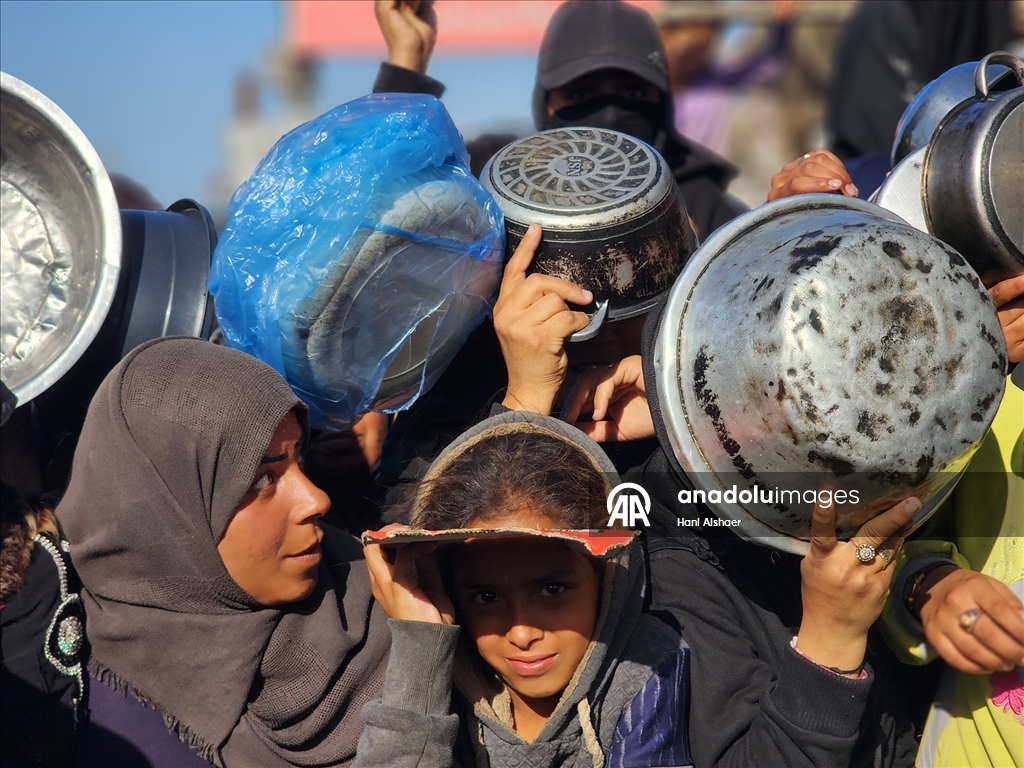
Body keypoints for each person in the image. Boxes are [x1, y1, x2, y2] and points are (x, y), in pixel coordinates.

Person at [58, 337, 390, 767]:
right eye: (262, 481)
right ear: (170, 513)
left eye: (299, 462)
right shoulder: (99, 718)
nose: (315, 500)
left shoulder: (387, 593)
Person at [359, 410, 692, 766]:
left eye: (552, 589)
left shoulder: (646, 670)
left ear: (606, 576)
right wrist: (420, 650)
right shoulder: (434, 676)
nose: (521, 632)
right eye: (486, 597)